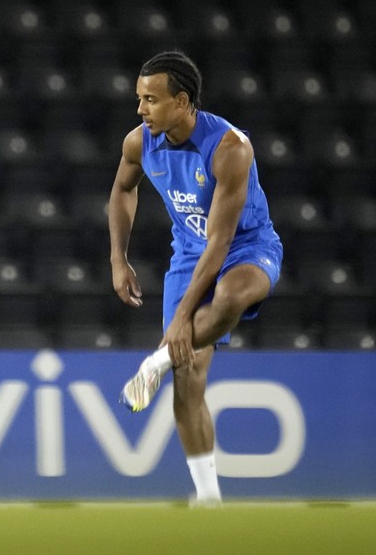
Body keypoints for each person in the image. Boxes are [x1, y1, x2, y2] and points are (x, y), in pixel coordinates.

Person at [108, 51, 283, 507]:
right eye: (139, 99)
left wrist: (181, 318)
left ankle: (155, 363)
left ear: (182, 101)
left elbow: (222, 242)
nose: (141, 109)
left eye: (150, 99)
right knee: (189, 376)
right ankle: (209, 499)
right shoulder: (139, 142)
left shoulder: (229, 148)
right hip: (189, 254)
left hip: (247, 248)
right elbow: (123, 190)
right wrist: (117, 258)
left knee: (228, 298)